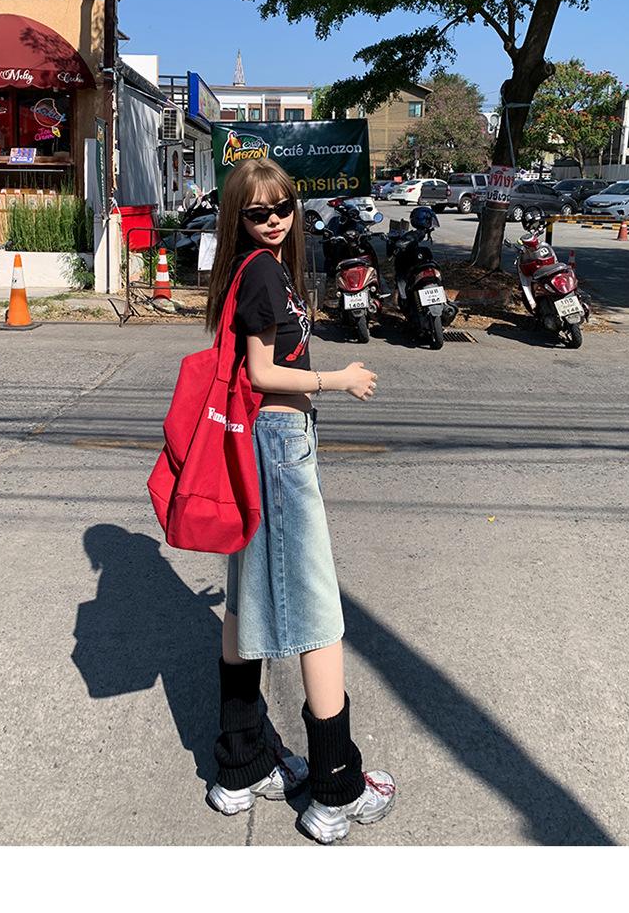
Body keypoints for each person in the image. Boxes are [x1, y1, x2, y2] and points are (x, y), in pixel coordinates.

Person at [203, 157, 396, 845]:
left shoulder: (256, 269)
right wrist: (337, 379)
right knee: (318, 614)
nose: (275, 219)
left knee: (243, 604)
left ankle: (239, 768)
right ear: (239, 218)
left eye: (283, 206)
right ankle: (336, 790)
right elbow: (261, 372)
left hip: (262, 444)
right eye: (258, 212)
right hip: (278, 445)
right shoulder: (261, 271)